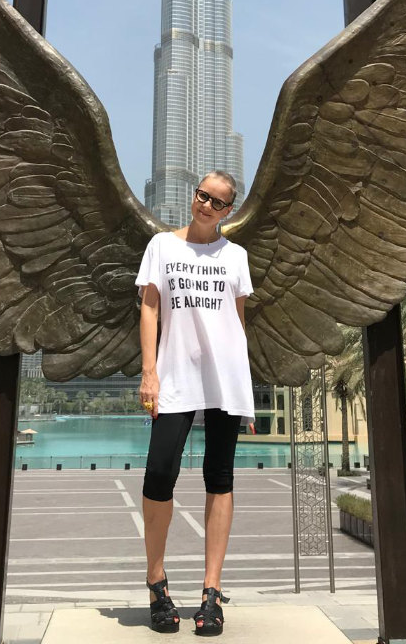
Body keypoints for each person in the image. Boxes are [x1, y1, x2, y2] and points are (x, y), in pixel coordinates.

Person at [137, 171, 254, 637]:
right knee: (159, 472)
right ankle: (156, 581)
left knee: (219, 476)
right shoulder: (162, 247)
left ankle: (211, 592)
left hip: (225, 378)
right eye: (202, 195)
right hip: (175, 376)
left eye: (217, 201)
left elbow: (237, 323)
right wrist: (150, 371)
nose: (206, 204)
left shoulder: (237, 256)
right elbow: (149, 305)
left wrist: (244, 392)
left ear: (228, 211)